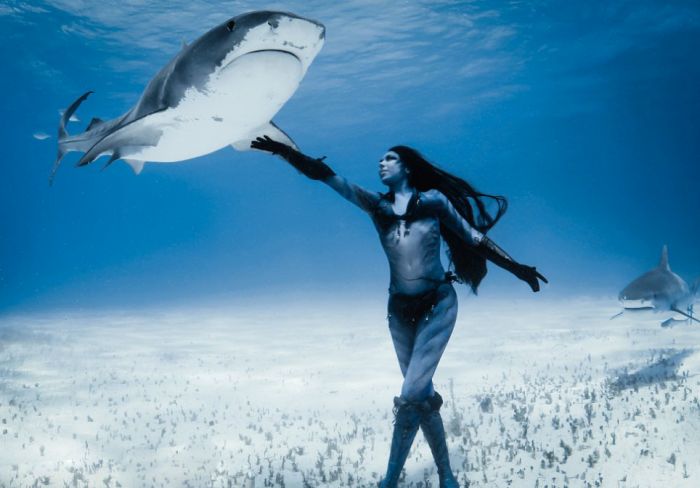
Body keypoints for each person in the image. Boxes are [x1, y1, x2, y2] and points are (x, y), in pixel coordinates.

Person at [250, 136, 547, 488]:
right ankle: (446, 473)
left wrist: (518, 268)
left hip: (438, 303)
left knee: (409, 395)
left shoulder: (433, 202)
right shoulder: (376, 206)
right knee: (418, 394)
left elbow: (473, 238)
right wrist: (286, 152)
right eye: (380, 160)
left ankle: (390, 479)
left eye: (389, 158)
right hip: (398, 311)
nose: (381, 163)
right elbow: (326, 176)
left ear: (406, 168)